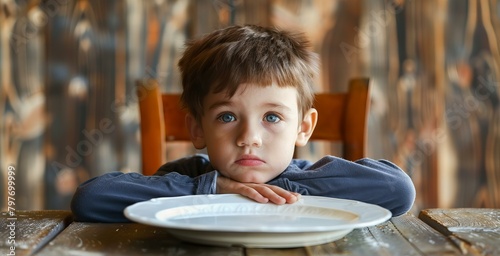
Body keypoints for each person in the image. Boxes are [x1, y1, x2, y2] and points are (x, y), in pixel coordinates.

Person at [71, 24, 415, 222]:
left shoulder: (310, 178)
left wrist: (282, 194)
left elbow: (397, 190)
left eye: (272, 117)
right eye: (227, 116)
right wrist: (209, 191)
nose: (249, 138)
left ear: (304, 127)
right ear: (197, 130)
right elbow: (91, 198)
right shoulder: (188, 178)